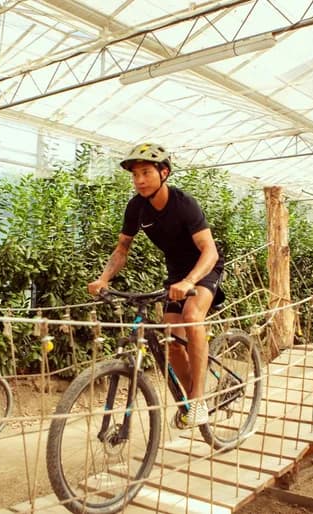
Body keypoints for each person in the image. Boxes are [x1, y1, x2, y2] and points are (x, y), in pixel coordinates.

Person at [87, 143, 225, 428]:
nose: (139, 180)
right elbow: (122, 249)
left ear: (164, 173)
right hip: (176, 276)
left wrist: (189, 281)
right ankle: (190, 399)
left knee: (191, 316)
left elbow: (209, 251)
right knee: (171, 342)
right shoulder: (136, 208)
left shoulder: (184, 204)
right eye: (135, 174)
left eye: (146, 172)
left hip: (203, 269)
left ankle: (198, 400)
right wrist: (103, 279)